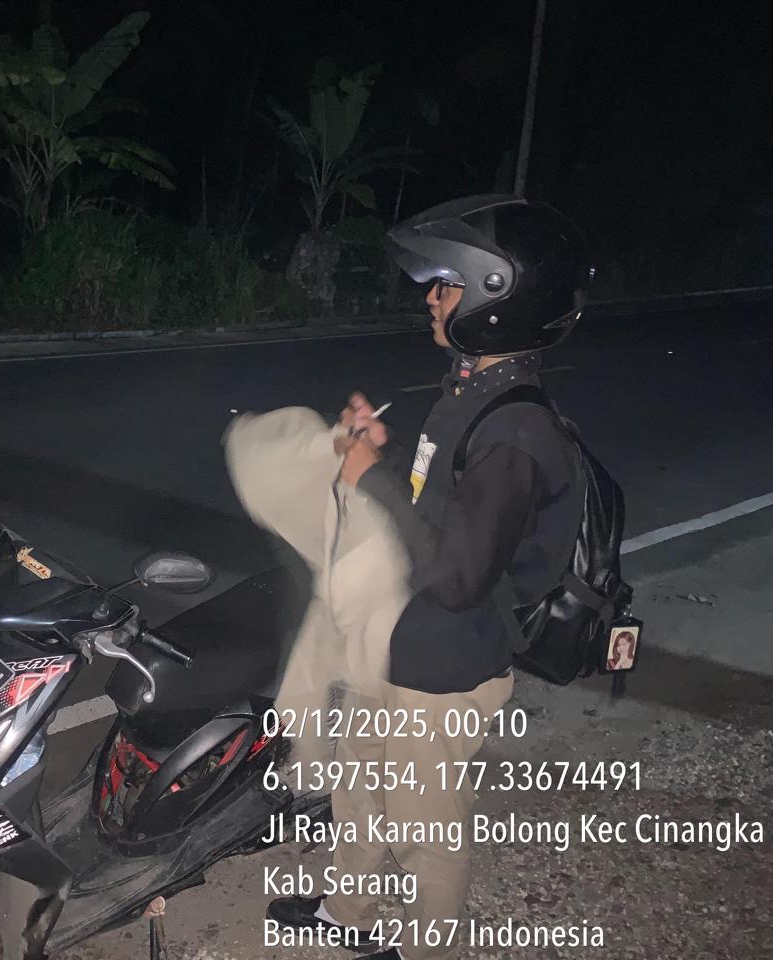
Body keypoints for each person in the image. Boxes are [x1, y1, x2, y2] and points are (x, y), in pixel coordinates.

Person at [267, 195, 591, 959]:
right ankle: (348, 912)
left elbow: (459, 576)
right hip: (401, 637)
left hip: (445, 665)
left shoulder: (516, 431)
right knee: (360, 786)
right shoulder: (471, 387)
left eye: (447, 285)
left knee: (425, 825)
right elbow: (436, 506)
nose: (432, 298)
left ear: (495, 299)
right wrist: (379, 454)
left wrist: (370, 478)